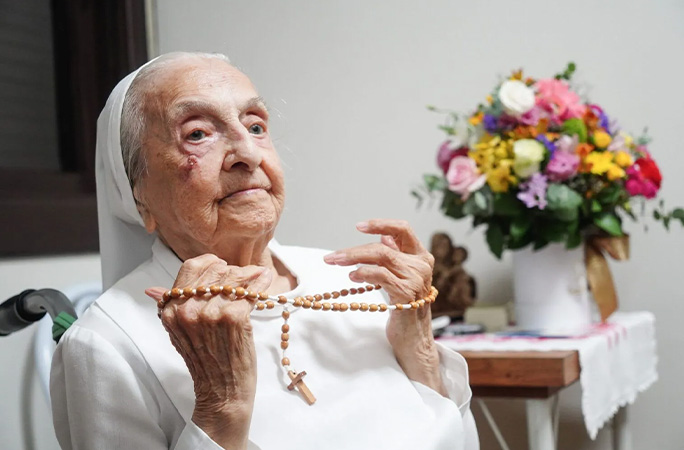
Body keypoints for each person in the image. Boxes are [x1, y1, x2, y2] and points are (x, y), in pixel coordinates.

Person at [50, 51, 479, 450]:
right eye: (197, 134)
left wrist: (418, 345)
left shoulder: (358, 282)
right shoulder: (105, 344)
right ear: (137, 193)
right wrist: (221, 407)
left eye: (255, 125)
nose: (247, 153)